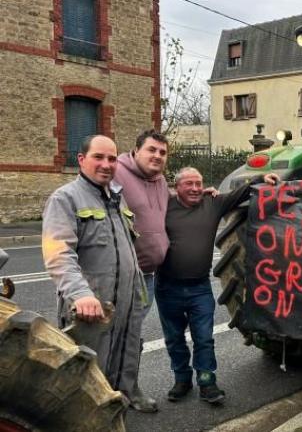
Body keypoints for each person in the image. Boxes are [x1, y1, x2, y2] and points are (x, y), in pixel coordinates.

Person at [42, 135, 144, 400]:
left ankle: (119, 409)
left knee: (125, 359)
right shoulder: (65, 199)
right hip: (91, 306)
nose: (106, 164)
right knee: (86, 375)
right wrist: (81, 295)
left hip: (126, 303)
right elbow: (59, 253)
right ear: (81, 159)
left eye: (112, 158)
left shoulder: (117, 198)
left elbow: (127, 250)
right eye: (98, 157)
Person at [156, 167, 250, 404]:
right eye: (189, 184)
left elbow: (241, 193)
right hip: (167, 287)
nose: (196, 188)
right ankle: (182, 380)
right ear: (176, 187)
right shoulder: (163, 205)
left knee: (204, 338)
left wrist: (263, 178)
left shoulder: (213, 204)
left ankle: (207, 382)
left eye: (199, 183)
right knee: (174, 338)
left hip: (199, 288)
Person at [112, 129, 170, 412]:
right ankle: (114, 394)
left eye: (162, 152)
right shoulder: (116, 175)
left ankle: (127, 389)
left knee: (132, 336)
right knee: (112, 337)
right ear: (135, 151)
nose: (157, 156)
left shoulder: (160, 181)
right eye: (151, 150)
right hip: (121, 279)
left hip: (147, 277)